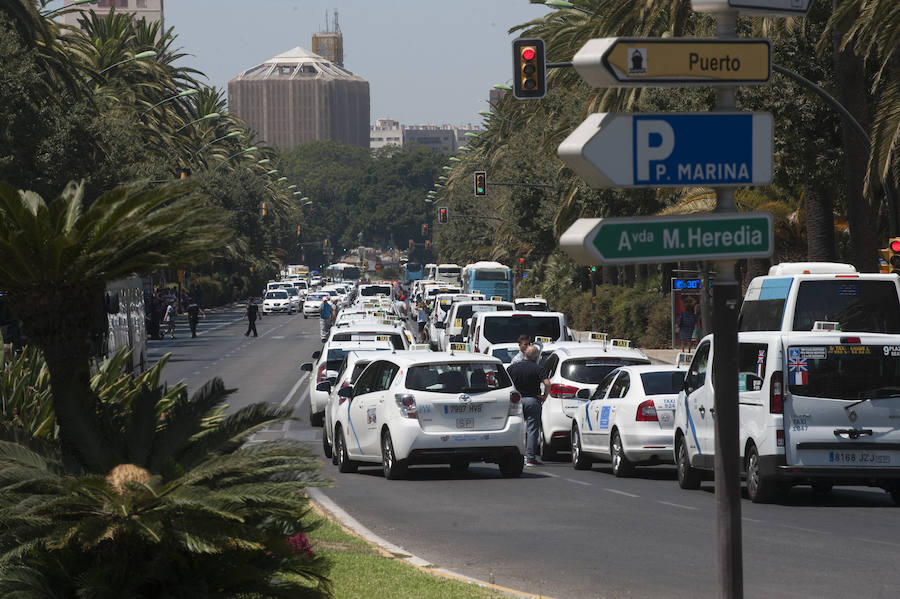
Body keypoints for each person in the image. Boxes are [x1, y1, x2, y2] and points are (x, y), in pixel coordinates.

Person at [507, 344, 550, 466]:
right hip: (532, 400)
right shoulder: (538, 369)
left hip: (516, 401)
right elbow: (547, 384)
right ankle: (530, 457)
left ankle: (513, 455)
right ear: (537, 357)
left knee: (515, 428)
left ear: (525, 355)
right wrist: (544, 396)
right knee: (532, 429)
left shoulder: (512, 368)